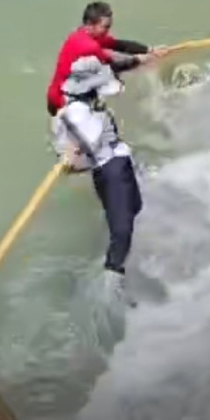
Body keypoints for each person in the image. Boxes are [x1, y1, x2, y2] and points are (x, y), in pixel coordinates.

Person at [52, 56, 143, 296]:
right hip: (112, 169)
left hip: (111, 167)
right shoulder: (78, 114)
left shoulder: (74, 111)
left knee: (132, 209)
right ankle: (113, 281)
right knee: (122, 229)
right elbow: (87, 145)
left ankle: (116, 263)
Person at [47, 1, 165, 116]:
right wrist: (139, 61)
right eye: (105, 27)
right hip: (65, 102)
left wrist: (150, 50)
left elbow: (119, 45)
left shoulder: (82, 34)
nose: (108, 31)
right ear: (90, 24)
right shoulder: (89, 47)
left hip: (56, 94)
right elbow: (111, 69)